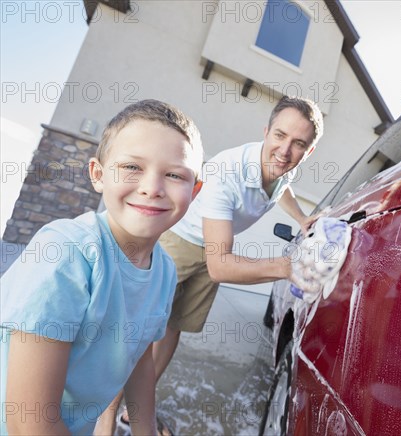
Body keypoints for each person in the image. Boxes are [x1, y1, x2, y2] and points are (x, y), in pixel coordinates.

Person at [106, 95, 324, 430]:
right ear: (266, 131)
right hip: (178, 243)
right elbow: (220, 266)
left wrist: (303, 218)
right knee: (138, 331)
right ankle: (102, 420)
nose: (284, 150)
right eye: (279, 136)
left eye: (298, 143)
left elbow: (284, 190)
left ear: (308, 151)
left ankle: (136, 411)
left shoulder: (284, 170)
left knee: (173, 327)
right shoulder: (228, 172)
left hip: (215, 246)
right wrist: (285, 267)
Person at [0, 99, 204, 435]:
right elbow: (29, 422)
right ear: (98, 175)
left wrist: (145, 430)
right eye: (132, 167)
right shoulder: (66, 252)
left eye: (173, 174)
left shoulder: (165, 271)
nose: (151, 188)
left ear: (194, 191)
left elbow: (138, 358)